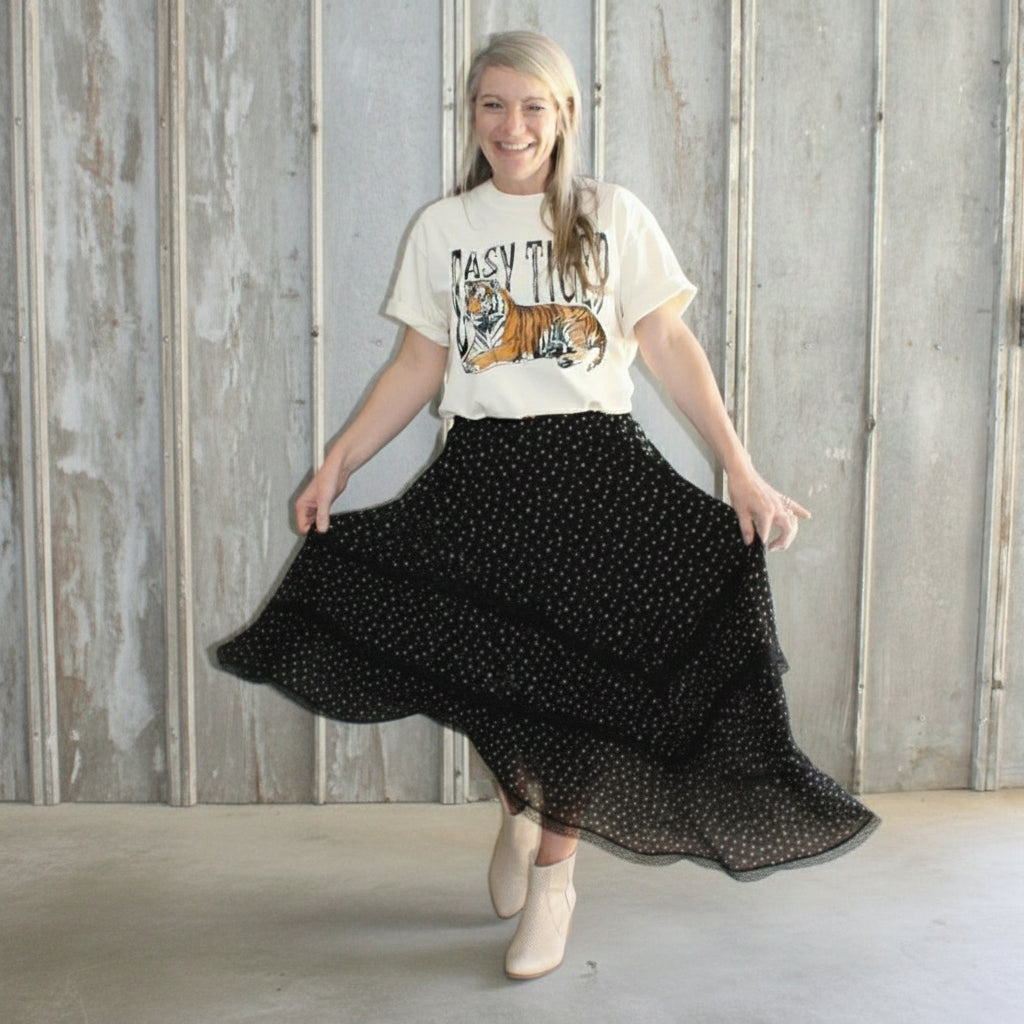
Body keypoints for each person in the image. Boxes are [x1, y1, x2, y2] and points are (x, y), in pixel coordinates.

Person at [217, 30, 878, 981]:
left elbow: (666, 341)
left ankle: (557, 879)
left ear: (564, 114)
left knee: (578, 690)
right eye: (493, 104)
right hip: (483, 475)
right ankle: (518, 809)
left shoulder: (612, 214)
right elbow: (419, 365)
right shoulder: (447, 229)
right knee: (495, 672)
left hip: (598, 472)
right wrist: (339, 466)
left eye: (533, 106)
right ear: (472, 114)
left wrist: (738, 464)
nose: (511, 125)